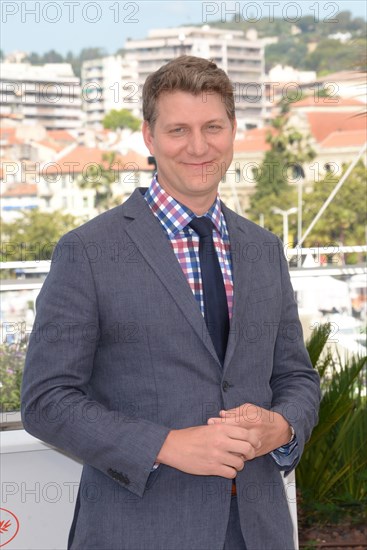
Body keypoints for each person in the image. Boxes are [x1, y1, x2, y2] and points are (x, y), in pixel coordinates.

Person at [22, 56, 320, 550]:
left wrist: (282, 426)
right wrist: (166, 445)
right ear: (149, 136)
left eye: (212, 127)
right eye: (178, 129)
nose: (199, 146)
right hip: (138, 531)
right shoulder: (88, 251)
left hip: (259, 529)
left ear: (233, 131)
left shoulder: (264, 249)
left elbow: (296, 377)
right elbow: (46, 401)